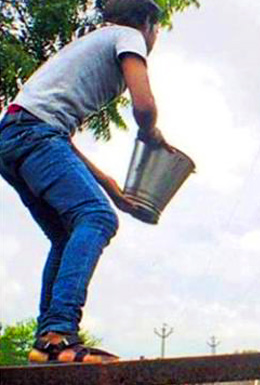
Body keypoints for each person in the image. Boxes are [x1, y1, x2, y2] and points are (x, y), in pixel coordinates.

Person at [0, 0, 170, 364]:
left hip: (13, 138)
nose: (155, 38)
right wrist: (151, 132)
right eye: (156, 30)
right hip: (35, 135)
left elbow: (52, 136)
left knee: (66, 233)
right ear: (147, 24)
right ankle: (59, 334)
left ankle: (46, 345)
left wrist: (112, 188)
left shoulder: (89, 43)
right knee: (98, 219)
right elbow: (144, 106)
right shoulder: (128, 36)